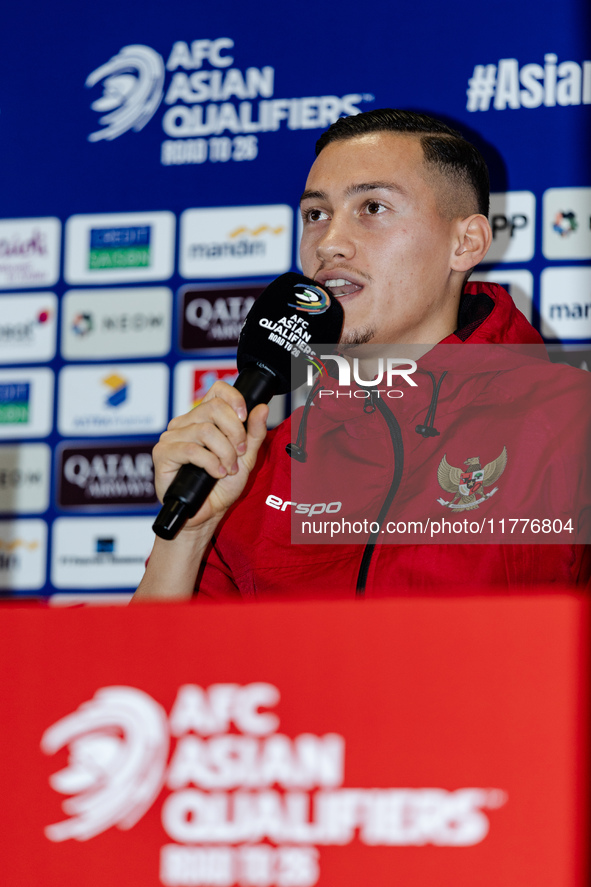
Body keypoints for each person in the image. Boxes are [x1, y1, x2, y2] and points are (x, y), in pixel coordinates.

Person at [133, 109, 590, 603]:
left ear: (466, 243)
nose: (329, 244)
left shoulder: (570, 423)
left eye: (372, 208)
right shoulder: (253, 465)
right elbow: (147, 676)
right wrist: (191, 535)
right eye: (316, 215)